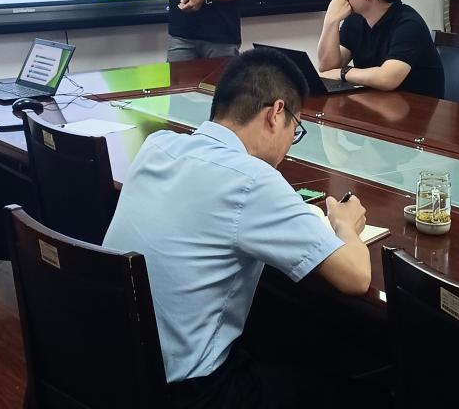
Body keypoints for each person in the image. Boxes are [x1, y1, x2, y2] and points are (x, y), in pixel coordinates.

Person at [103, 49, 371, 408]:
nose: (289, 145)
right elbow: (356, 277)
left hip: (119, 365)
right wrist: (345, 225)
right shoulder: (252, 179)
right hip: (191, 393)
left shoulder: (158, 145)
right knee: (342, 386)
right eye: (295, 129)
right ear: (276, 113)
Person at [317, 0, 445, 98]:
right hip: (378, 103)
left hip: (418, 108)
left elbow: (387, 78)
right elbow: (327, 68)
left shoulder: (409, 25)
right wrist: (331, 21)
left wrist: (343, 72)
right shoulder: (356, 19)